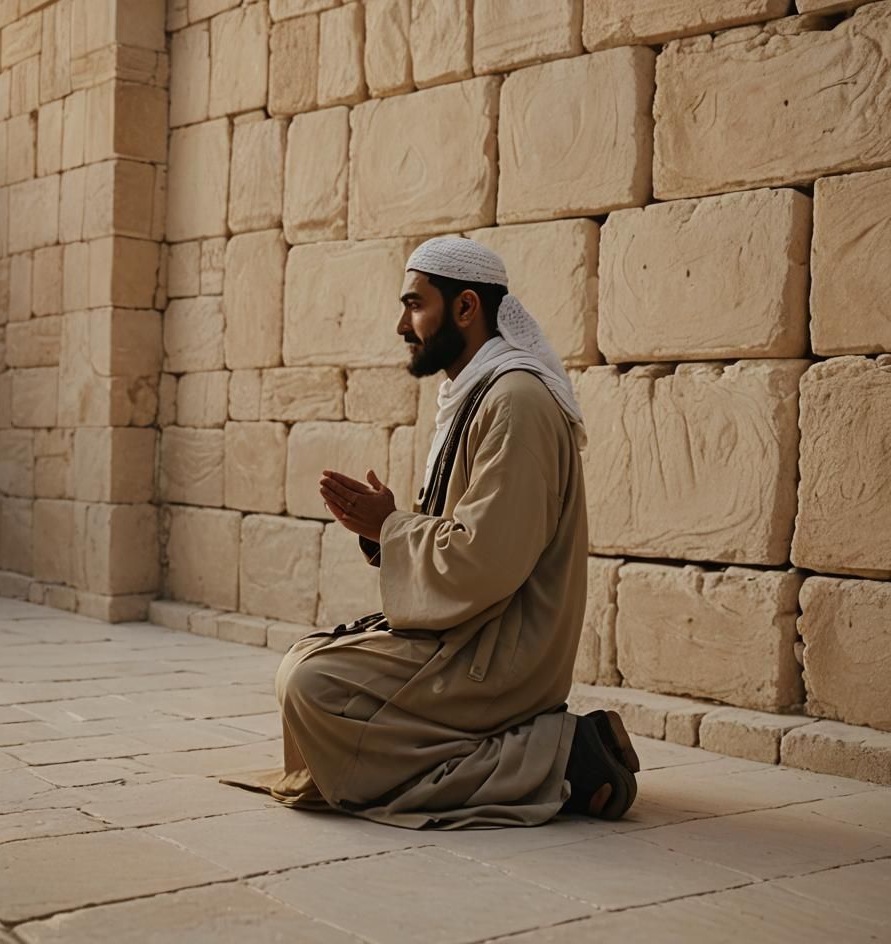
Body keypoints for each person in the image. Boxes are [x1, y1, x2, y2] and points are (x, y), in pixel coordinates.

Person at [224, 237, 639, 829]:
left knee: (315, 688)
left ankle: (557, 757)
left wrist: (390, 527)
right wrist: (384, 530)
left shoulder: (516, 402)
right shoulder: (476, 396)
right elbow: (461, 537)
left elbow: (485, 560)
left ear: (466, 307)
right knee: (307, 664)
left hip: (501, 653)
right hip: (471, 632)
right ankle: (537, 752)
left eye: (415, 305)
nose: (402, 324)